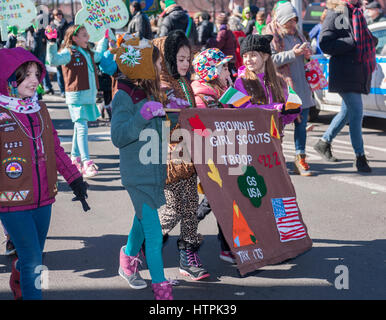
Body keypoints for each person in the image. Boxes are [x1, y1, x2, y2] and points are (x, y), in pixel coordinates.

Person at [0, 47, 89, 300]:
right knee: (31, 257)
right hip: (11, 202)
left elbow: (54, 147)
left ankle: (21, 283)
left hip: (44, 200)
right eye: (25, 75)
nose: (34, 80)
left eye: (36, 74)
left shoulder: (39, 109)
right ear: (8, 79)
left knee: (34, 256)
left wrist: (75, 179)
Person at [110, 34, 173, 300]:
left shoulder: (149, 91)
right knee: (154, 234)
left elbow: (159, 132)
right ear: (143, 66)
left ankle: (127, 259)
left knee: (141, 218)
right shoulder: (123, 96)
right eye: (156, 63)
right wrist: (142, 115)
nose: (160, 68)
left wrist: (170, 112)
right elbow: (119, 136)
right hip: (137, 174)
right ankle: (161, 289)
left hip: (153, 170)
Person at [153, 30, 210, 281]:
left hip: (188, 153)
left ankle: (188, 256)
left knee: (189, 209)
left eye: (188, 59)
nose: (186, 64)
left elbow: (193, 117)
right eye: (180, 59)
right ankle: (143, 241)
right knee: (174, 209)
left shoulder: (186, 82)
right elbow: (168, 116)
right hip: (169, 155)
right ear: (167, 58)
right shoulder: (162, 84)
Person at [313, 0, 376, 173]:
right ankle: (360, 157)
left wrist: (370, 40)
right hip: (344, 72)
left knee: (347, 112)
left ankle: (324, 142)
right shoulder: (336, 13)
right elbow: (325, 43)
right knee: (356, 112)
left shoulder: (357, 13)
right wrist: (353, 41)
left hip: (357, 71)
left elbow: (363, 38)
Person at [191, 48, 237, 263]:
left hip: (228, 153)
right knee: (217, 201)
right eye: (223, 67)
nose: (228, 70)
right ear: (209, 70)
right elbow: (201, 128)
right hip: (212, 156)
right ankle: (184, 233)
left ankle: (227, 247)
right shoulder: (202, 95)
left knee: (224, 201)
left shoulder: (225, 90)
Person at [45, 24, 109, 178]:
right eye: (84, 35)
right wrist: (52, 42)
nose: (88, 37)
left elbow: (99, 55)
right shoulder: (69, 52)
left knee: (79, 127)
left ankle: (74, 158)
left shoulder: (88, 52)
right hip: (76, 96)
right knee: (81, 127)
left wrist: (104, 38)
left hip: (87, 96)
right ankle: (86, 162)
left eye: (87, 34)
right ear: (75, 38)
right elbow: (53, 60)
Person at [265, 1, 315, 176]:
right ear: (281, 19)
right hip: (282, 89)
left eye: (294, 20)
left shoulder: (298, 35)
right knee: (278, 127)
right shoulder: (271, 35)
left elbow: (305, 60)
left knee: (301, 127)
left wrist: (307, 52)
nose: (293, 24)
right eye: (289, 21)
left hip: (302, 88)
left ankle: (300, 158)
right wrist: (292, 54)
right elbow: (268, 61)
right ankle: (276, 160)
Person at [50, 9, 71, 98]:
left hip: (66, 49)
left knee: (67, 71)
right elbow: (50, 38)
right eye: (57, 15)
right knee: (59, 72)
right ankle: (62, 90)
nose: (59, 16)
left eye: (60, 14)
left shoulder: (67, 24)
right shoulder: (52, 26)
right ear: (54, 16)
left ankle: (68, 89)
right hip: (57, 49)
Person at [214, 13, 237, 79]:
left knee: (226, 76)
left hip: (225, 58)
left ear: (218, 23)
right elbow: (235, 45)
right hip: (232, 57)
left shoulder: (222, 32)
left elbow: (218, 45)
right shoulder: (230, 32)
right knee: (231, 75)